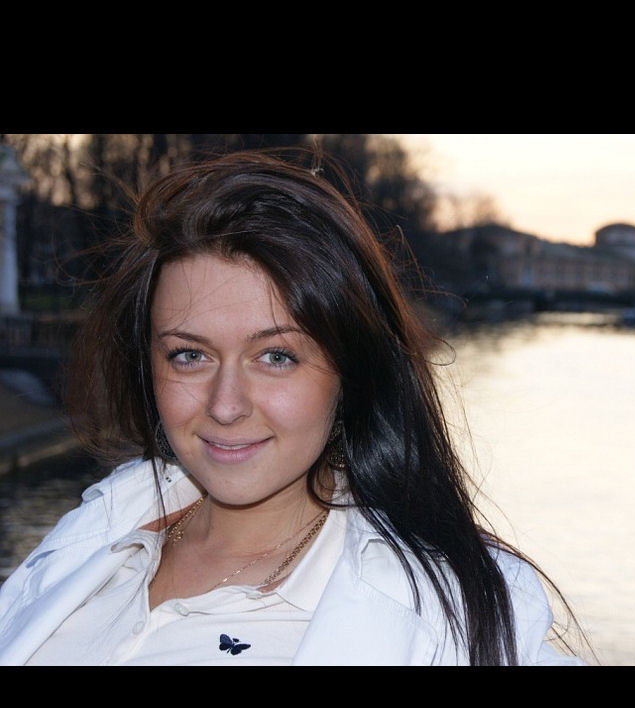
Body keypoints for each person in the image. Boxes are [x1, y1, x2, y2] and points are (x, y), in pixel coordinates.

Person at [0, 148, 586, 666]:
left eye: (276, 356)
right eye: (189, 355)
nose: (225, 406)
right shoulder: (101, 529)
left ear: (351, 371)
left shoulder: (456, 612)